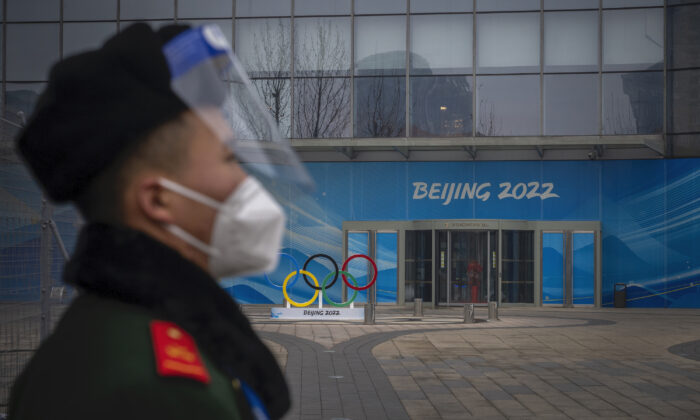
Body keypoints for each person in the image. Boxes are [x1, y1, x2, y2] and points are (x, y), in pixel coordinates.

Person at [8, 23, 312, 420]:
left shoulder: (117, 333)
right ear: (157, 199)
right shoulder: (155, 387)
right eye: (228, 160)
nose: (245, 181)